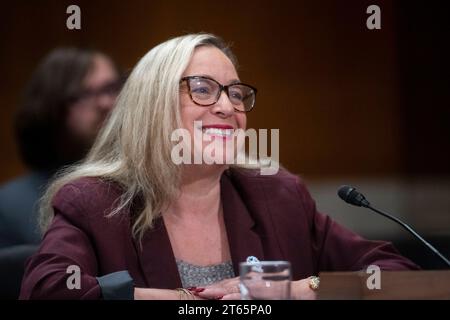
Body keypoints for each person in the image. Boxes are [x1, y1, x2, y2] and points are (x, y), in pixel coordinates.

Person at [19, 34, 418, 300]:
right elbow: (48, 290)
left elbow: (395, 273)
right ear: (151, 106)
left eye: (237, 93)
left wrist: (296, 289)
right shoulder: (95, 202)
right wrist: (183, 302)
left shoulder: (276, 194)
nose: (228, 107)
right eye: (203, 89)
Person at [0, 48, 121, 299]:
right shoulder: (8, 206)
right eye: (85, 94)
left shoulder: (136, 189)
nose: (105, 103)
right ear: (50, 108)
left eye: (111, 88)